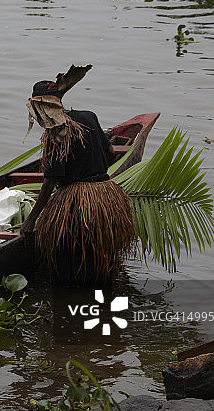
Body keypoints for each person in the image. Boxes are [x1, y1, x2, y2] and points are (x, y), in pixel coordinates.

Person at [19, 65, 134, 286]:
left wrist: (31, 220)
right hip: (105, 195)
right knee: (101, 259)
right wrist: (93, 169)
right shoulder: (89, 117)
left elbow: (50, 181)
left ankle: (71, 300)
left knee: (69, 264)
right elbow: (110, 152)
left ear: (38, 108)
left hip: (76, 203)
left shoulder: (54, 134)